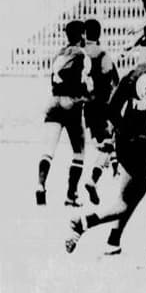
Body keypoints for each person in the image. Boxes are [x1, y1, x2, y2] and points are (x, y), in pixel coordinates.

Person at [65, 26, 146, 255]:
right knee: (140, 197)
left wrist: (124, 132)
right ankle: (86, 223)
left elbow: (112, 109)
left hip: (129, 143)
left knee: (130, 195)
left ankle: (112, 240)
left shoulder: (135, 71)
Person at [35, 20, 92, 207]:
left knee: (48, 150)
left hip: (53, 102)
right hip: (71, 102)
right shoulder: (82, 54)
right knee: (79, 152)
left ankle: (40, 185)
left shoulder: (58, 53)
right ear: (82, 35)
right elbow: (85, 81)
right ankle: (71, 195)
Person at [83, 19, 120, 205]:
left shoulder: (80, 53)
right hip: (102, 104)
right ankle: (93, 179)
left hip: (87, 107)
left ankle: (113, 167)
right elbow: (112, 79)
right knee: (108, 144)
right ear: (99, 34)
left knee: (103, 142)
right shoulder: (102, 53)